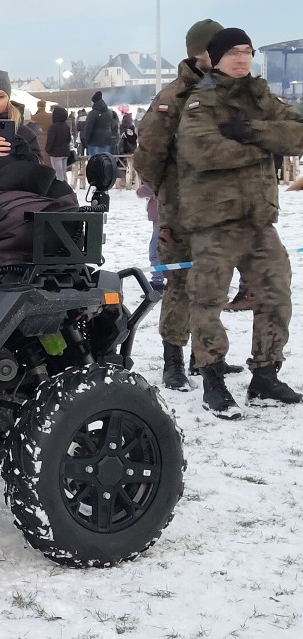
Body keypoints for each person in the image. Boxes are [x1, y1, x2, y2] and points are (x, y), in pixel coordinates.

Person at [176, 26, 303, 418]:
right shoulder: (201, 102)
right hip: (215, 221)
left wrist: (252, 131)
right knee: (208, 301)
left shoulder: (261, 96)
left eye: (247, 51)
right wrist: (264, 149)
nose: (242, 59)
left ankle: (265, 375)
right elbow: (204, 151)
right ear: (215, 58)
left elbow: (297, 134)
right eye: (233, 53)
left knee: (276, 293)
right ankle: (212, 380)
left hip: (258, 221)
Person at [133, 19, 246, 393]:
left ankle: (206, 357)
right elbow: (147, 156)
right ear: (199, 53)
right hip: (181, 213)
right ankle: (173, 361)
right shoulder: (173, 98)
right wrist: (170, 193)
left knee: (213, 284)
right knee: (180, 285)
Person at [45, 106, 72, 182]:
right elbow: (69, 139)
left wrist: (47, 150)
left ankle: (61, 190)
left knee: (58, 174)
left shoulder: (53, 127)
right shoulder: (66, 126)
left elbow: (50, 141)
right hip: (65, 152)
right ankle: (66, 189)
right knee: (63, 173)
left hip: (55, 153)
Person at [82, 91, 114, 156]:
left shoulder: (92, 113)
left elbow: (89, 128)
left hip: (94, 142)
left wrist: (86, 140)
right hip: (107, 140)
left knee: (95, 162)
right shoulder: (109, 112)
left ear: (94, 102)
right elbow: (112, 125)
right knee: (104, 161)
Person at [31, 100, 53, 164]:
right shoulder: (50, 116)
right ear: (45, 106)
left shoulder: (34, 117)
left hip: (37, 139)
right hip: (49, 139)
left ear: (37, 106)